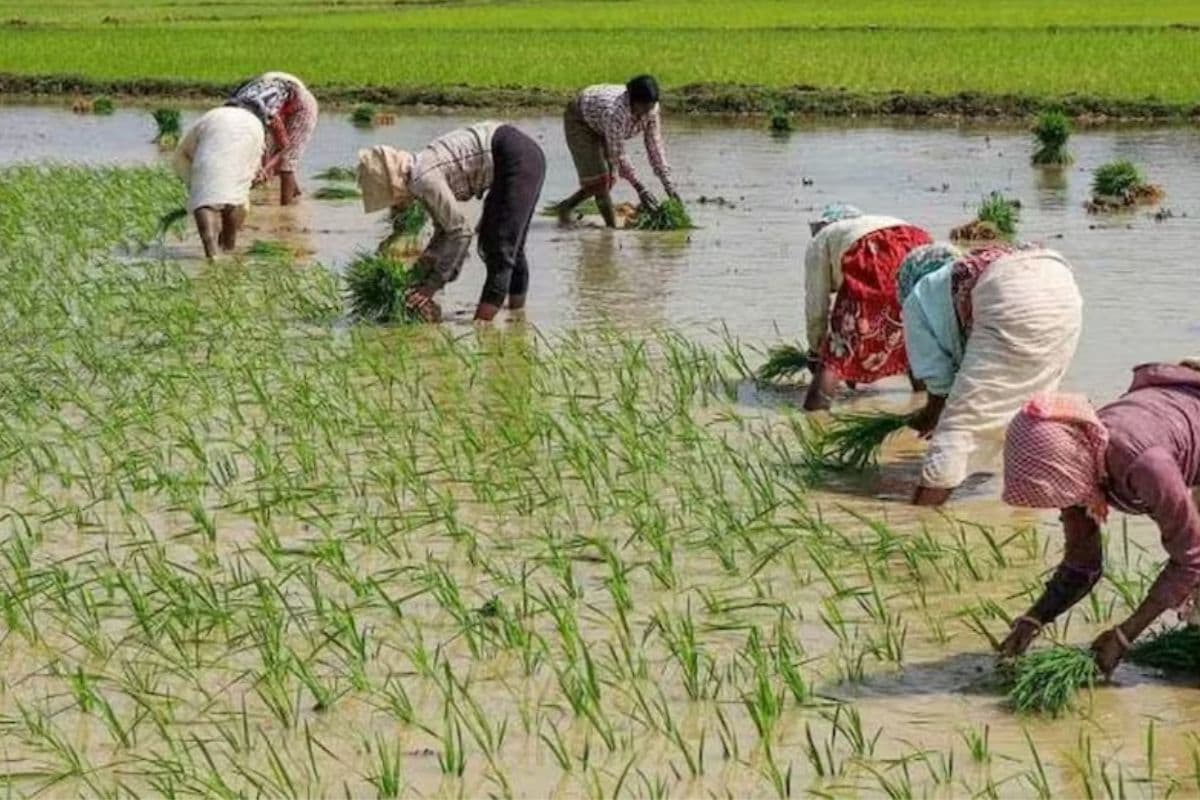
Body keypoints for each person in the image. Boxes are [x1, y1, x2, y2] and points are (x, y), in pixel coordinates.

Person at [998, 361, 1200, 675]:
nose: (1066, 507)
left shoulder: (1145, 464)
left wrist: (1124, 635)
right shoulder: (1078, 464)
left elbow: (1190, 558)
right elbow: (1083, 565)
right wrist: (1034, 619)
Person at [898, 243, 1083, 505]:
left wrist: (927, 418)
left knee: (959, 426)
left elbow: (940, 387)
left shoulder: (917, 299)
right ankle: (1029, 509)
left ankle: (918, 519)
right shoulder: (958, 276)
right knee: (1032, 409)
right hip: (1060, 281)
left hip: (1009, 289)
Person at [356, 121, 546, 323]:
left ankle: (482, 325)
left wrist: (433, 285)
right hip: (517, 155)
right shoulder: (420, 172)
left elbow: (461, 232)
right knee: (505, 244)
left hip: (517, 157)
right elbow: (444, 231)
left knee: (500, 247)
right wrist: (423, 270)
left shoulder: (422, 179)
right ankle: (517, 317)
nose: (396, 205)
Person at [802, 204, 934, 410]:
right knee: (912, 336)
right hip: (920, 246)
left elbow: (816, 303)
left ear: (823, 225)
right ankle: (926, 405)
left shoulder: (822, 238)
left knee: (837, 351)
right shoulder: (880, 221)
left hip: (873, 254)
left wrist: (816, 350)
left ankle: (815, 418)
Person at [552, 75, 678, 228]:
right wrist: (640, 188)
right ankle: (611, 230)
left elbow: (654, 146)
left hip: (600, 121)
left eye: (650, 107)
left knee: (609, 180)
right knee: (600, 180)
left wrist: (668, 185)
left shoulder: (651, 110)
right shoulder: (615, 113)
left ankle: (566, 207)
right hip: (581, 121)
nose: (647, 113)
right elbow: (619, 155)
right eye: (643, 108)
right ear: (633, 102)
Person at [173, 105, 265, 260]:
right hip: (240, 161)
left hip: (208, 157)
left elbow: (185, 149)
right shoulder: (255, 123)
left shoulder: (211, 116)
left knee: (204, 202)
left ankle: (212, 254)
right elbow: (256, 160)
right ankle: (228, 247)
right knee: (235, 199)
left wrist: (196, 183)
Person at [226, 71, 318, 206]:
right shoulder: (230, 112)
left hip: (301, 104)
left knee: (287, 162)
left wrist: (265, 169)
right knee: (267, 155)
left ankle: (286, 209)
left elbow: (284, 147)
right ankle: (295, 193)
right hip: (276, 92)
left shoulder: (268, 115)